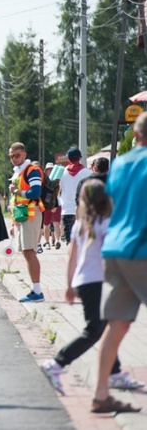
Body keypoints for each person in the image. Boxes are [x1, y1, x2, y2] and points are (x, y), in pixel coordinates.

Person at [40, 180, 143, 395]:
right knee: (95, 330)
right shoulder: (107, 223)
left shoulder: (80, 224)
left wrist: (69, 285)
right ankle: (56, 364)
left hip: (85, 282)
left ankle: (114, 374)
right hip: (98, 281)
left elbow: (72, 258)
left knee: (106, 328)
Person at [91, 112, 147, 414]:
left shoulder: (121, 164)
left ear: (135, 136)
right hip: (142, 247)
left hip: (114, 248)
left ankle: (101, 394)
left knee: (117, 325)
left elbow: (111, 205)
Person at [7, 142, 45, 303]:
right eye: (11, 156)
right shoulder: (20, 172)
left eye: (17, 155)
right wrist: (13, 222)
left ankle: (37, 291)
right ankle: (35, 290)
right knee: (27, 252)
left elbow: (36, 192)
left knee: (29, 251)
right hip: (23, 217)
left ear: (24, 154)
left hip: (31, 215)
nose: (14, 159)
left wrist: (17, 191)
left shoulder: (32, 170)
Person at [59, 147, 92, 244]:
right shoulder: (88, 173)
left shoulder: (61, 173)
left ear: (68, 159)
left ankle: (71, 258)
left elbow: (57, 189)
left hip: (67, 210)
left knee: (70, 242)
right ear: (80, 158)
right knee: (83, 241)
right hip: (83, 210)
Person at [41, 163, 62, 250]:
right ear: (45, 170)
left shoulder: (58, 180)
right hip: (47, 204)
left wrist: (55, 205)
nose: (50, 171)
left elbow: (60, 193)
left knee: (56, 223)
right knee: (46, 225)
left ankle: (57, 240)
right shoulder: (44, 180)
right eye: (48, 169)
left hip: (56, 204)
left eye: (51, 169)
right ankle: (47, 242)